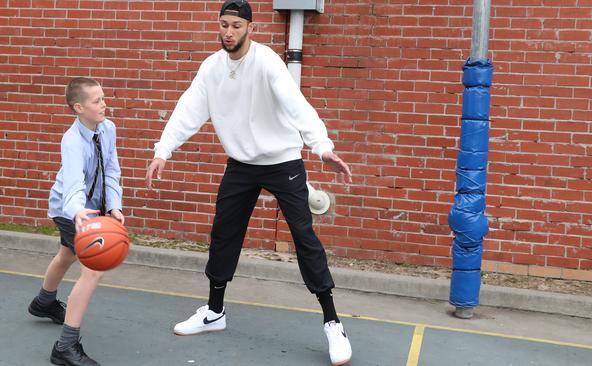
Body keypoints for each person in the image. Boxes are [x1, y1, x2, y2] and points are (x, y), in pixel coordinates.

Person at [144, 1, 352, 364]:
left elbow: (296, 105)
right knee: (224, 234)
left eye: (236, 26)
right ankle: (214, 312)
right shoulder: (211, 68)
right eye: (223, 24)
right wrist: (164, 150)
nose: (228, 32)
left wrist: (322, 147)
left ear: (250, 29)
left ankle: (333, 322)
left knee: (304, 238)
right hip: (241, 164)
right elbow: (188, 108)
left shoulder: (267, 61)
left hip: (282, 160)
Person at [28, 77, 124, 366]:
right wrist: (78, 212)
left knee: (67, 254)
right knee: (94, 269)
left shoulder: (108, 129)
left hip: (93, 209)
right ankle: (65, 346)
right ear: (78, 107)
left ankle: (44, 302)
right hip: (70, 208)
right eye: (97, 101)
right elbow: (72, 183)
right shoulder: (71, 141)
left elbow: (111, 170)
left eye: (104, 98)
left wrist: (115, 207)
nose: (104, 104)